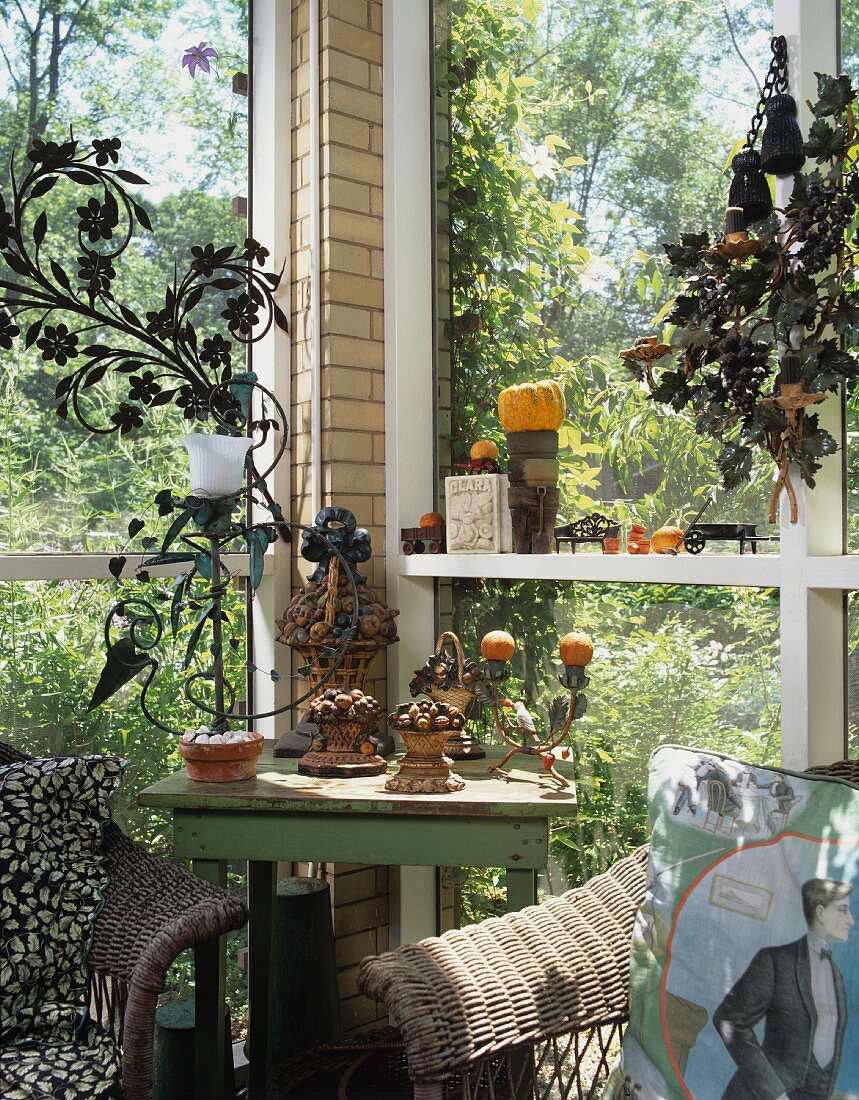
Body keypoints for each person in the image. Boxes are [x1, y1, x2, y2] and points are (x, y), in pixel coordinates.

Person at [713, 878, 854, 1100]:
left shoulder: (835, 973)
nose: (851, 920)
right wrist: (775, 1093)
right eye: (843, 910)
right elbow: (728, 1020)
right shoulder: (775, 961)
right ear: (821, 913)